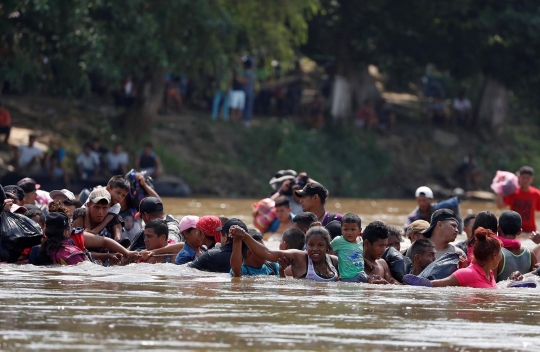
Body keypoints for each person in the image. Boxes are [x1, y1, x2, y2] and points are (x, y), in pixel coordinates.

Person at [229, 225, 339, 281]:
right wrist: (244, 236)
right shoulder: (299, 257)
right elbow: (268, 253)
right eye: (311, 245)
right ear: (306, 245)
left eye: (320, 245)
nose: (315, 249)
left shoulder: (334, 261)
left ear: (328, 246)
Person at [404, 228, 503, 289]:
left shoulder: (489, 274)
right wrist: (417, 283)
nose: (501, 255)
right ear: (494, 254)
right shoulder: (468, 273)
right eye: (500, 251)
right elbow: (436, 284)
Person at [496, 210, 537, 281]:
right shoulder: (530, 254)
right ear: (519, 231)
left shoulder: (497, 255)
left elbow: (490, 285)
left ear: (498, 228)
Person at [497, 166, 540, 233]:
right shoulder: (513, 192)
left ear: (532, 179)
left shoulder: (536, 194)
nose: (525, 180)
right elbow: (500, 206)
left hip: (530, 231)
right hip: (513, 229)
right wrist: (500, 190)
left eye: (527, 178)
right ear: (519, 178)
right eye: (523, 178)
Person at [329, 213, 366, 283]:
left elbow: (360, 256)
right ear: (341, 230)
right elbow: (327, 254)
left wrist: (368, 262)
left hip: (362, 275)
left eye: (353, 230)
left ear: (360, 230)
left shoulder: (360, 240)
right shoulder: (339, 241)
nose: (349, 233)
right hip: (348, 278)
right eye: (346, 229)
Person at [241, 57, 255, 127]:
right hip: (251, 91)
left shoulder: (244, 72)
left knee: (243, 106)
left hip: (244, 92)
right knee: (249, 106)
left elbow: (244, 81)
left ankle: (244, 119)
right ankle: (247, 121)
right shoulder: (253, 73)